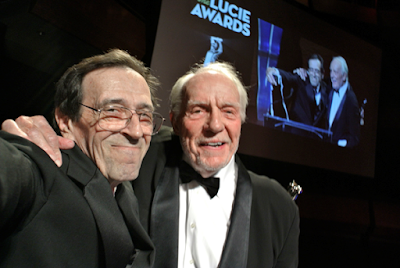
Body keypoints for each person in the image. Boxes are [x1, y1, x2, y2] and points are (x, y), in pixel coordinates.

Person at [3, 62, 300, 268]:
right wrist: (31, 138)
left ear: (242, 120)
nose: (215, 125)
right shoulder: (134, 159)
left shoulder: (279, 204)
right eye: (198, 110)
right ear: (175, 121)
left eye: (228, 111)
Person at [0, 49, 164, 267]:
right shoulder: (40, 168)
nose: (135, 132)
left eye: (144, 116)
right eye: (113, 111)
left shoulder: (124, 190)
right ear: (66, 121)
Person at [266, 54, 328, 135]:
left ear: (322, 74)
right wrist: (271, 70)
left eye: (317, 71)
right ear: (307, 70)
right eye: (311, 70)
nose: (314, 74)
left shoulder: (327, 89)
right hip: (296, 133)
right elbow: (287, 76)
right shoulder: (301, 80)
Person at [326, 56, 360, 147]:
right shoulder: (330, 89)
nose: (332, 75)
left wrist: (337, 144)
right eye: (331, 71)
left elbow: (354, 139)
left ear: (344, 76)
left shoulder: (351, 101)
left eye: (335, 72)